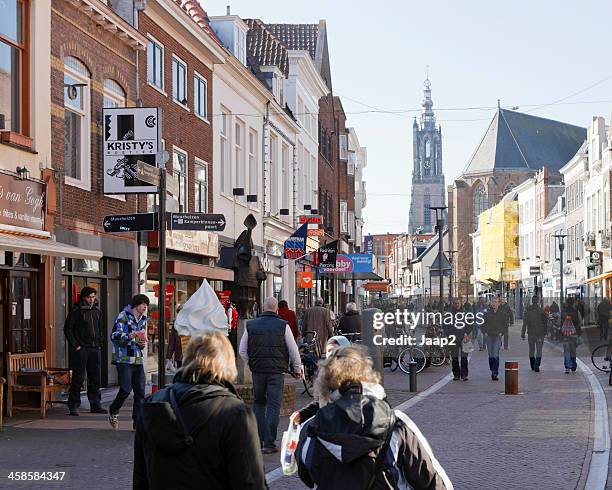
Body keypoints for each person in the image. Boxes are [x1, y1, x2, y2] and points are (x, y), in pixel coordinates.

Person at [295, 345, 453, 490]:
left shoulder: (311, 429)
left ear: (325, 382)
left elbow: (308, 476)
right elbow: (432, 481)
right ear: (367, 375)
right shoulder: (395, 423)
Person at [133, 331, 266, 490]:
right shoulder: (235, 413)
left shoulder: (153, 405)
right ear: (227, 362)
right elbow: (250, 482)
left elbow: (140, 479)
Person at [238, 297, 302, 454]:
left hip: (258, 371)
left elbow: (242, 350)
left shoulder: (251, 325)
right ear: (276, 310)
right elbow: (293, 350)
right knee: (273, 405)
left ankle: (258, 440)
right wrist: (297, 368)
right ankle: (270, 443)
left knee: (258, 403)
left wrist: (251, 363)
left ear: (263, 307)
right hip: (276, 372)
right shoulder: (282, 326)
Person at [108, 294, 149, 430]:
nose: (145, 307)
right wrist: (131, 335)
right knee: (126, 389)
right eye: (143, 304)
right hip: (123, 359)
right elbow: (114, 335)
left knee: (140, 392)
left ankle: (137, 424)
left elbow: (138, 342)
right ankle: (113, 410)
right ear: (136, 304)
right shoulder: (123, 316)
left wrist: (141, 343)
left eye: (146, 305)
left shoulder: (143, 319)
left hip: (137, 359)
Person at [64, 286, 106, 416]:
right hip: (81, 349)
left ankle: (95, 404)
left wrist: (100, 343)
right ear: (83, 297)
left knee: (95, 378)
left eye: (93, 297)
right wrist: (76, 345)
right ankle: (73, 405)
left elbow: (100, 328)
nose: (92, 299)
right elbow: (68, 329)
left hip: (94, 348)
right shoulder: (76, 310)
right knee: (78, 377)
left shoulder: (97, 311)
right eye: (89, 297)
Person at [292, 335, 351, 424]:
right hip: (328, 425)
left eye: (335, 350)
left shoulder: (354, 374)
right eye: (329, 350)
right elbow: (320, 402)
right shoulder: (325, 374)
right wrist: (302, 414)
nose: (331, 353)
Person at [446, 298, 472, 381]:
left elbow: (470, 325)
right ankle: (456, 375)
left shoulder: (465, 314)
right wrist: (449, 335)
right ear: (453, 304)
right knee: (454, 358)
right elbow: (445, 326)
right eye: (455, 303)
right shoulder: (449, 314)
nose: (457, 305)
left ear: (461, 304)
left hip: (463, 338)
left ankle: (464, 375)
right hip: (453, 338)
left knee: (464, 358)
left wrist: (466, 333)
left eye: (458, 303)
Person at [521, 296, 548, 372]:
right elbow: (545, 323)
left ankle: (532, 365)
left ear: (532, 301)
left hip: (531, 333)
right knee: (539, 350)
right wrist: (545, 332)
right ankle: (537, 365)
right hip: (540, 333)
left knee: (531, 350)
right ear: (538, 301)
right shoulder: (541, 311)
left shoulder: (528, 310)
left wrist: (523, 333)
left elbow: (525, 322)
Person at [482, 297, 506, 381]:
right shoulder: (487, 313)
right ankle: (492, 369)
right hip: (489, 336)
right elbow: (483, 324)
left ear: (499, 303)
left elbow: (505, 325)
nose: (494, 304)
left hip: (497, 336)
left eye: (496, 302)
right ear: (491, 303)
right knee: (490, 355)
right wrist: (484, 332)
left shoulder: (502, 313)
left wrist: (501, 332)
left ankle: (494, 373)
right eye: (493, 302)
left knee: (495, 354)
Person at [560, 297, 582, 374]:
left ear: (566, 303)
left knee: (566, 351)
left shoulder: (563, 312)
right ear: (573, 303)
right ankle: (573, 365)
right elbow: (580, 322)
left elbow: (559, 321)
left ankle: (567, 367)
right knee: (573, 351)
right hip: (574, 334)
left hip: (565, 334)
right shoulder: (576, 312)